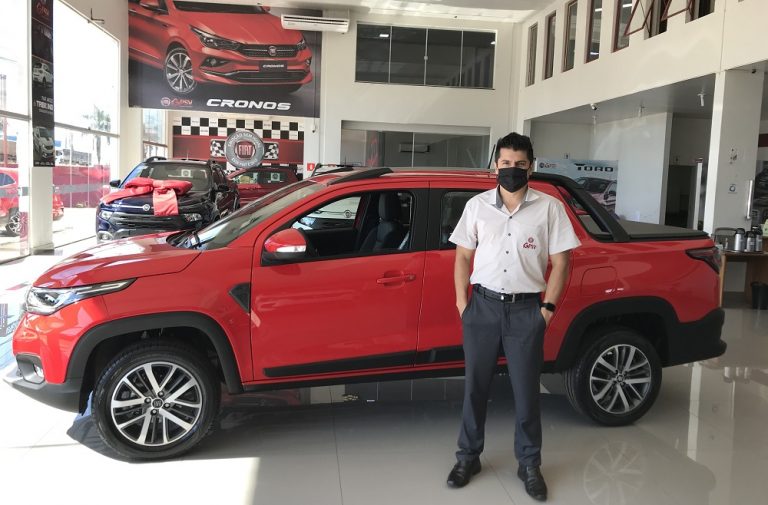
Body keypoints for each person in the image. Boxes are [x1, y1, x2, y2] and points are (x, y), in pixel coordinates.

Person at [446, 132, 581, 501]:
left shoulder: (550, 208)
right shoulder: (476, 206)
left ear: (530, 167)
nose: (512, 169)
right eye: (505, 163)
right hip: (482, 308)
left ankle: (529, 464)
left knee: (526, 392)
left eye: (520, 164)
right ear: (495, 166)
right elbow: (462, 256)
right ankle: (467, 457)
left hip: (526, 311)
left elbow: (562, 262)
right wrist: (462, 304)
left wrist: (546, 310)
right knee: (475, 388)